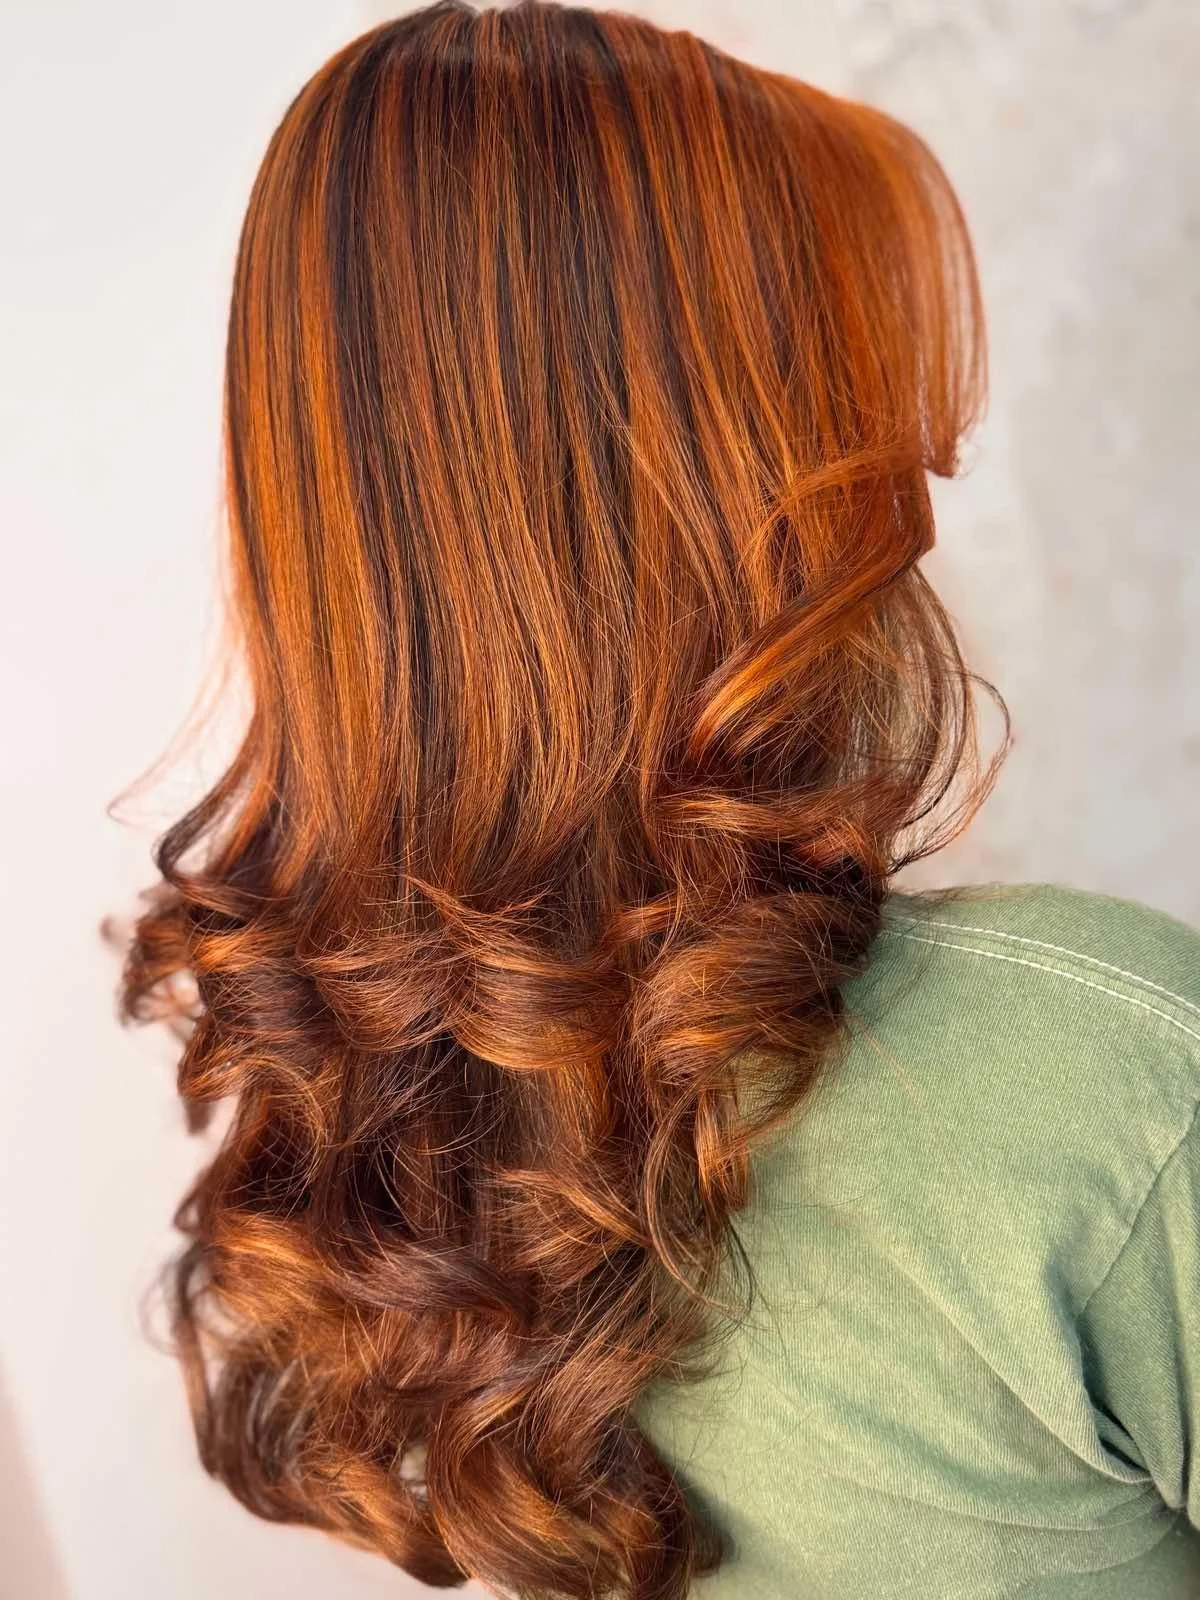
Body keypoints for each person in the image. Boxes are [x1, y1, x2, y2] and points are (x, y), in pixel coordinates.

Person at [112, 2, 1200, 1595]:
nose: (920, 503)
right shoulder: (1101, 1089)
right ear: (767, 499)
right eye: (875, 430)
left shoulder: (398, 1143)